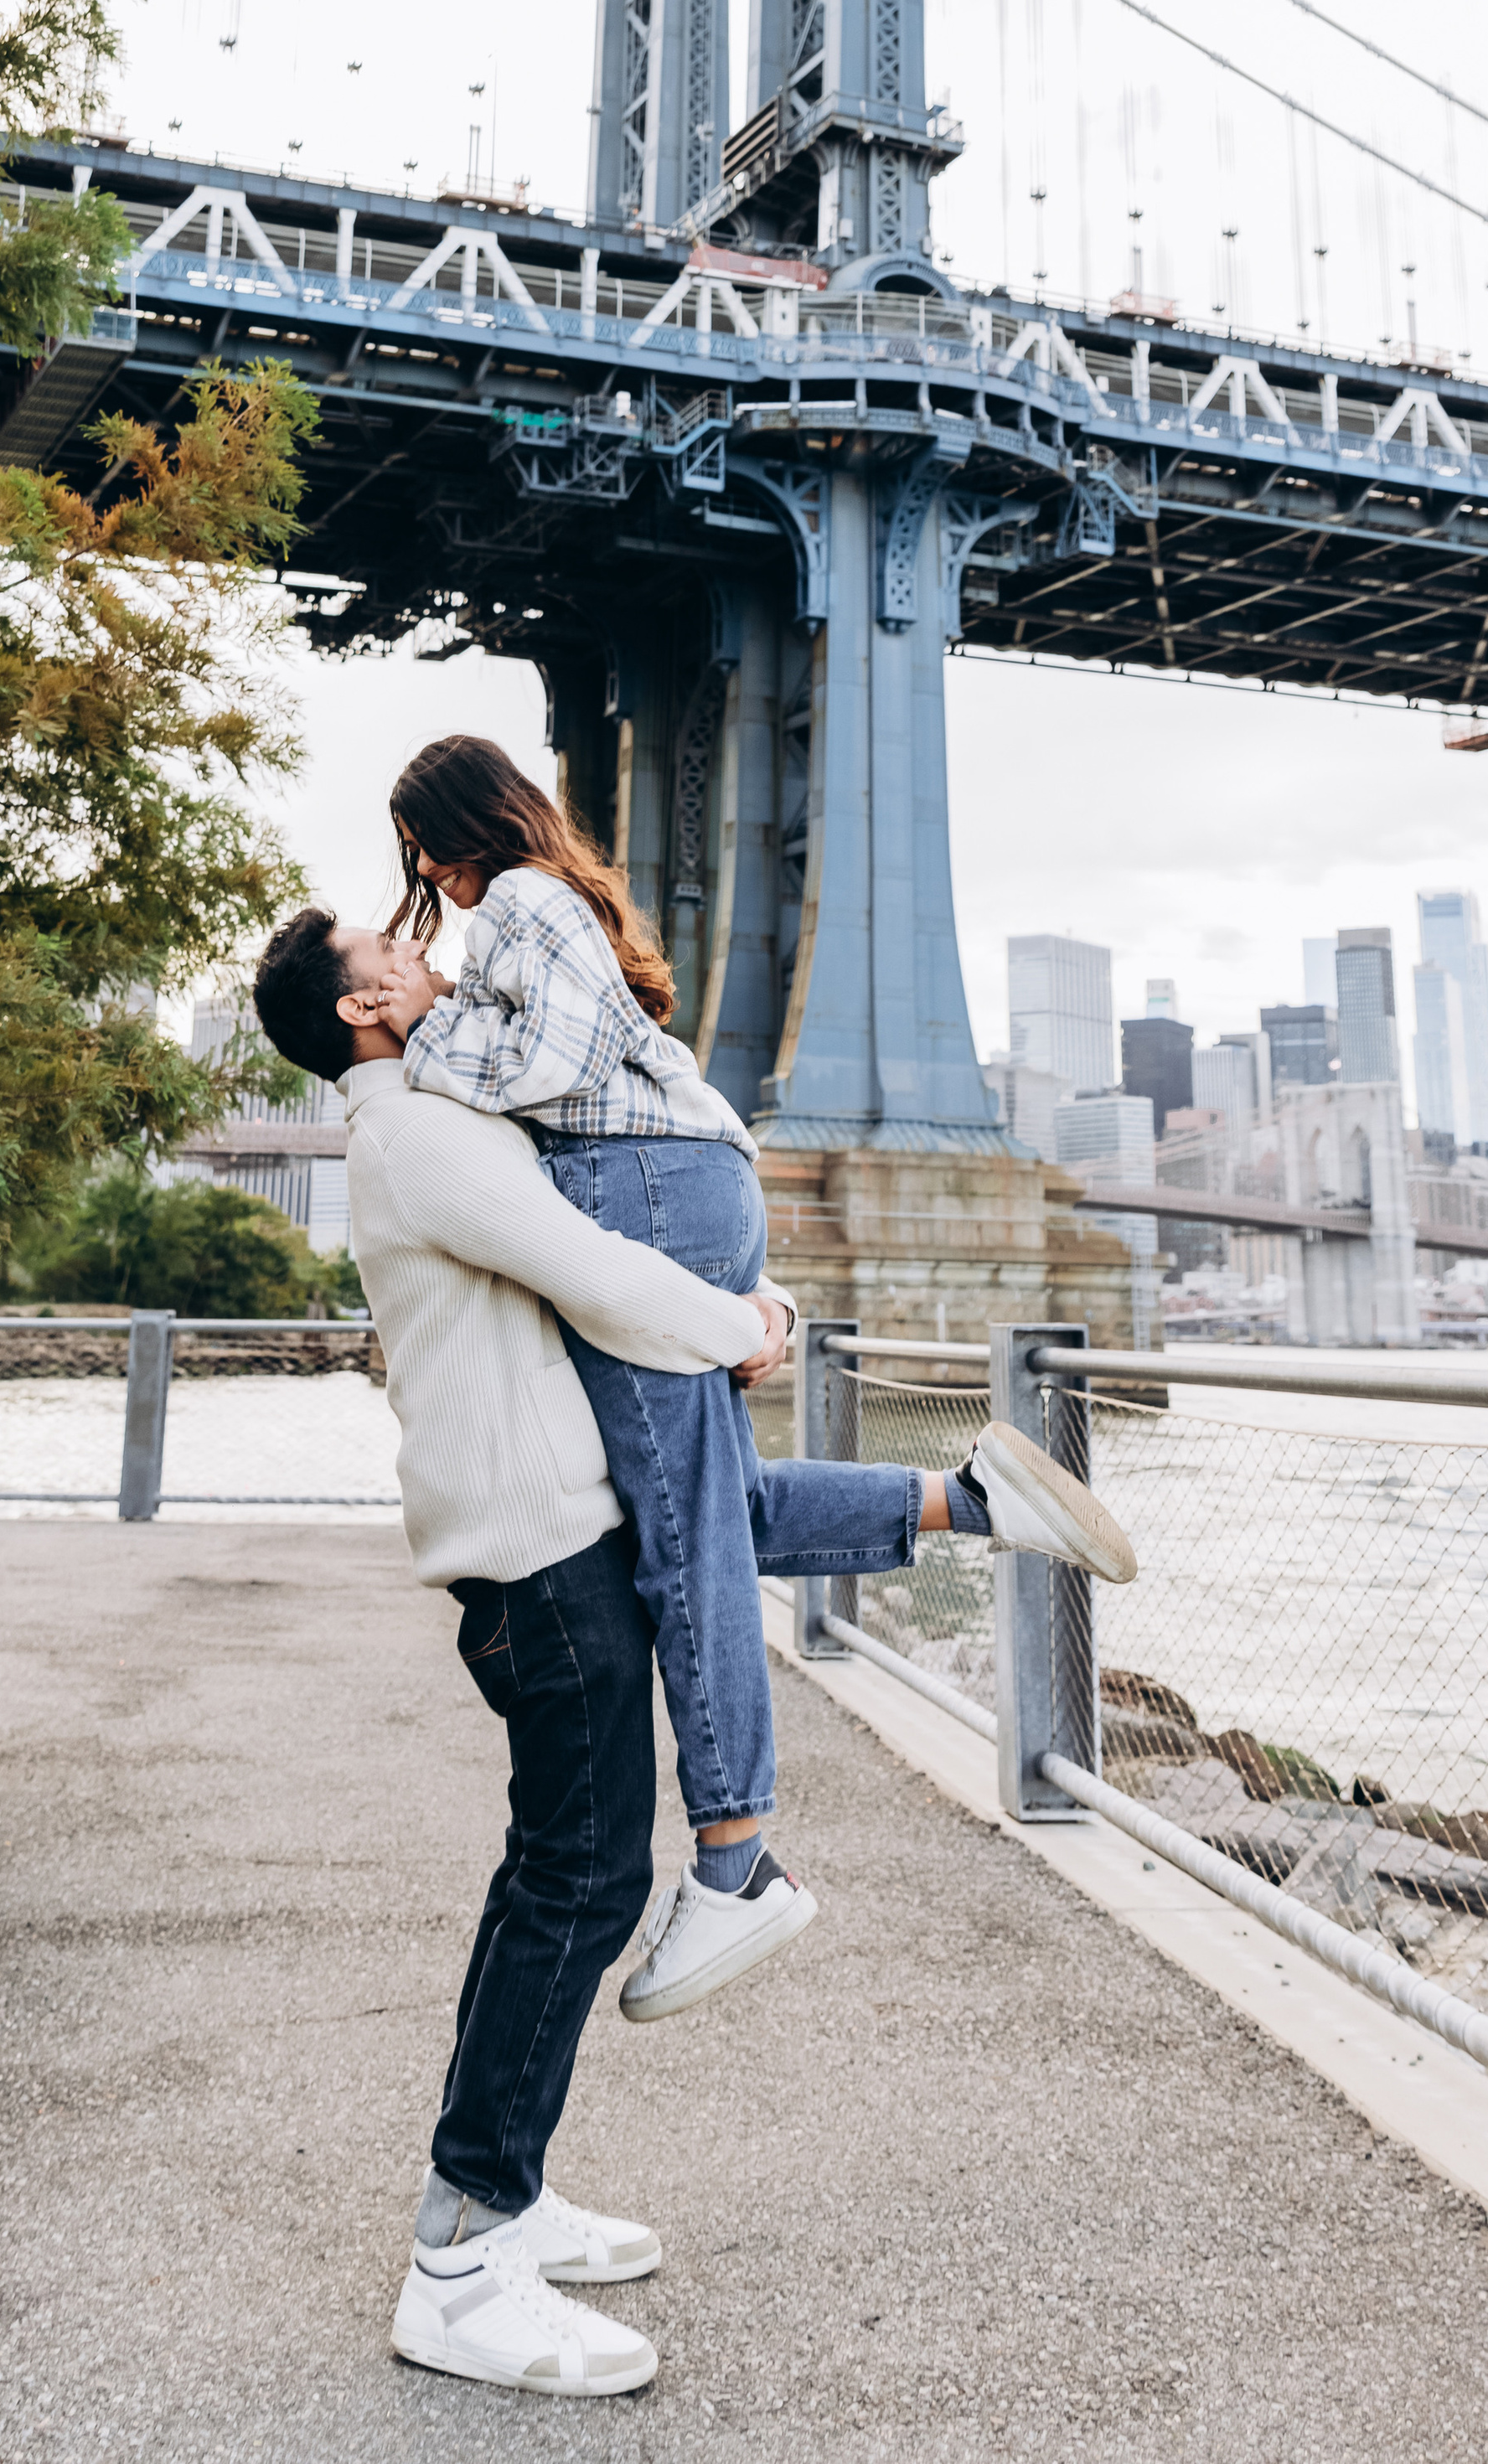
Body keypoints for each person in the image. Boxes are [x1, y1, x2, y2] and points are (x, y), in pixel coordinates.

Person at [251, 901, 1129, 2401]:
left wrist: (789, 1350)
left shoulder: (433, 1118)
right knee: (577, 1887)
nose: (418, 950)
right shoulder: (422, 1135)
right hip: (539, 1570)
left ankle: (502, 2199)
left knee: (558, 1874)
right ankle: (458, 2261)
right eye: (384, 953)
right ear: (356, 1013)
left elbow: (703, 1490)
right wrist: (746, 1317)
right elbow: (594, 1266)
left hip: (554, 1543)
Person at [375, 732, 1136, 2026]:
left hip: (648, 1195)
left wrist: (421, 1036)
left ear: (455, 835)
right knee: (710, 1510)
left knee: (678, 1544)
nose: (431, 895)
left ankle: (737, 1855)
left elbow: (546, 1065)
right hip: (684, 1184)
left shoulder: (518, 899)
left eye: (423, 860)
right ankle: (974, 1498)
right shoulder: (550, 902)